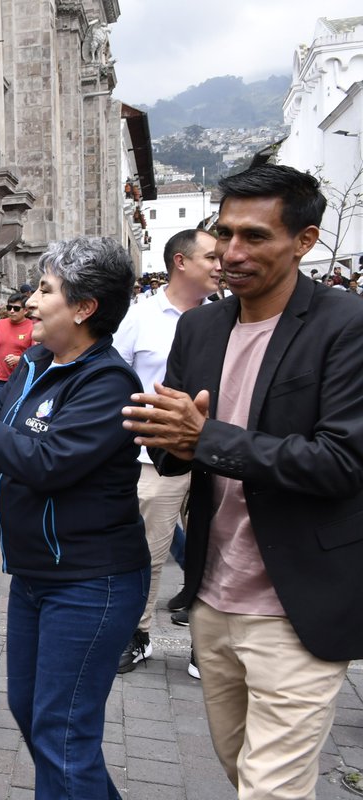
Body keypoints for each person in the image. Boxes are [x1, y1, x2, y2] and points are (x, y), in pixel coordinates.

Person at [122, 163, 363, 800]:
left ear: (304, 241)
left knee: (269, 789)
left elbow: (342, 461)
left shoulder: (346, 325)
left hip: (297, 606)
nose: (232, 253)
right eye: (225, 234)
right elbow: (181, 455)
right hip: (211, 597)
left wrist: (208, 439)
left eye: (255, 237)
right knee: (240, 769)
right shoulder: (200, 327)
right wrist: (164, 438)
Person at [0, 235, 147, 799]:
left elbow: (47, 463)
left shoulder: (108, 382)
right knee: (33, 714)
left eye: (46, 290)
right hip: (35, 575)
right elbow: (6, 436)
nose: (30, 302)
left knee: (62, 734)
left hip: (90, 579)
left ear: (84, 308)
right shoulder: (39, 363)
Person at [112, 228, 218, 675]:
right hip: (152, 460)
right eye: (210, 256)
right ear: (180, 261)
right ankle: (138, 636)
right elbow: (112, 380)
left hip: (219, 456)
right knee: (149, 554)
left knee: (214, 554)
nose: (220, 264)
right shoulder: (138, 316)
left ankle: (206, 645)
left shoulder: (226, 317)